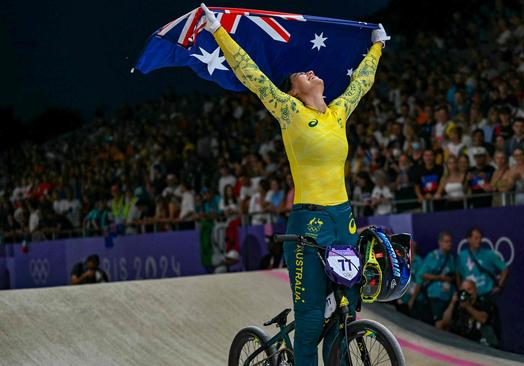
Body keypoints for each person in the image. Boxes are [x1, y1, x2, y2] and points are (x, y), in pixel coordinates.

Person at [201, 6, 390, 364]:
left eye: (311, 70)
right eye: (302, 73)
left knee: (344, 314)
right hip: (309, 224)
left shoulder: (337, 113)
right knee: (310, 322)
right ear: (295, 90)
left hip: (343, 220)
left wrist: (377, 45)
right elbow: (252, 76)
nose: (311, 71)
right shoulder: (289, 111)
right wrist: (217, 31)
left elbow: (362, 83)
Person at [409, 231, 456, 325]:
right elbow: (422, 275)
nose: (449, 244)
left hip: (447, 295)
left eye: (450, 241)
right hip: (435, 294)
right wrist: (439, 277)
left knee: (446, 323)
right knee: (438, 322)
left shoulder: (450, 258)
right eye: (446, 241)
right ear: (440, 243)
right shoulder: (433, 256)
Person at [436, 279, 500, 348]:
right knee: (439, 324)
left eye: (469, 289)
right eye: (463, 290)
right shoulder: (457, 303)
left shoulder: (483, 302)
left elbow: (483, 319)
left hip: (481, 341)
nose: (466, 293)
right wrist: (452, 303)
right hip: (460, 339)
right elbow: (445, 322)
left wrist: (467, 307)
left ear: (476, 290)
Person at [457, 227, 509, 297]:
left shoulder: (489, 254)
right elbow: (457, 274)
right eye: (476, 238)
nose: (479, 241)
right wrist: (460, 290)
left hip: (487, 295)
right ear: (469, 239)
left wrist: (499, 286)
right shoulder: (461, 256)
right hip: (470, 297)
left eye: (480, 238)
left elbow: (505, 269)